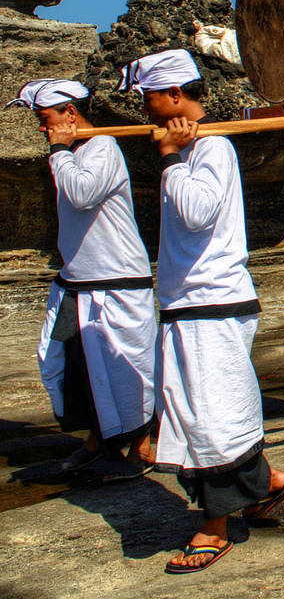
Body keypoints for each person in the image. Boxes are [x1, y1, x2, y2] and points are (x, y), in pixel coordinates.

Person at [120, 50, 284, 575]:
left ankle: (213, 527)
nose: (145, 108)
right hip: (188, 302)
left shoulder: (212, 148)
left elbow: (196, 214)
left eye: (150, 97)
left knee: (210, 417)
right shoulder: (195, 148)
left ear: (175, 96)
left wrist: (173, 157)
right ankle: (269, 485)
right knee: (197, 408)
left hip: (212, 301)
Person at [8, 79, 156, 479]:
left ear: (70, 114)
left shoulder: (102, 148)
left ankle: (140, 449)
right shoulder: (72, 153)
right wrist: (61, 151)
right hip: (76, 282)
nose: (43, 128)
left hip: (116, 281)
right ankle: (97, 440)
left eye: (46, 119)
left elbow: (81, 193)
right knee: (71, 363)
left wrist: (58, 151)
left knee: (125, 368)